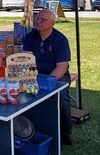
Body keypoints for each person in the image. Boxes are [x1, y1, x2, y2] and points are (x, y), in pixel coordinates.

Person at [21, 9, 73, 145]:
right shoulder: (30, 37)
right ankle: (26, 129)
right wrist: (31, 79)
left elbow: (61, 68)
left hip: (56, 76)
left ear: (52, 23)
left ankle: (65, 132)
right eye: (37, 18)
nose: (38, 21)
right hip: (35, 75)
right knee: (22, 92)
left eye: (42, 20)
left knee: (61, 96)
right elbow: (27, 62)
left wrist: (45, 82)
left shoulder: (60, 40)